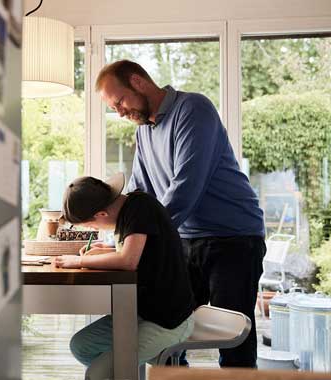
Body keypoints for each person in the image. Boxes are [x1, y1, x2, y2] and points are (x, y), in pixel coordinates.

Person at [95, 60, 266, 368]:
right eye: (114, 107)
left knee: (233, 342)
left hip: (233, 239)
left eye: (119, 101)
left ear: (138, 82)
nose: (119, 112)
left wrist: (137, 239)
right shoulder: (144, 131)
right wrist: (115, 235)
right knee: (167, 334)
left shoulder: (193, 109)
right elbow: (140, 194)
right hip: (183, 239)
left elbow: (185, 188)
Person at [55, 172, 196, 380]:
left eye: (90, 226)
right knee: (81, 346)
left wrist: (79, 261)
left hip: (167, 320)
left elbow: (128, 260)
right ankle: (122, 367)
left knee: (98, 373)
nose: (94, 230)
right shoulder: (128, 211)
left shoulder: (140, 207)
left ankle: (121, 367)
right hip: (139, 313)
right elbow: (141, 255)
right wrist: (101, 252)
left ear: (102, 214)